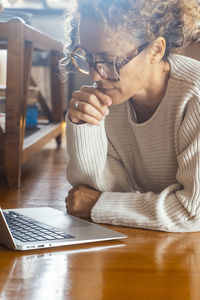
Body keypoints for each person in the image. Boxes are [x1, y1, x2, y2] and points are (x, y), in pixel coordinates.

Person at [63, 0, 200, 232]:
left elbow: (192, 211)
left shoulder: (193, 97)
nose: (96, 76)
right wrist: (84, 126)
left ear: (156, 50)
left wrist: (99, 205)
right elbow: (100, 192)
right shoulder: (114, 96)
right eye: (88, 57)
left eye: (111, 61)